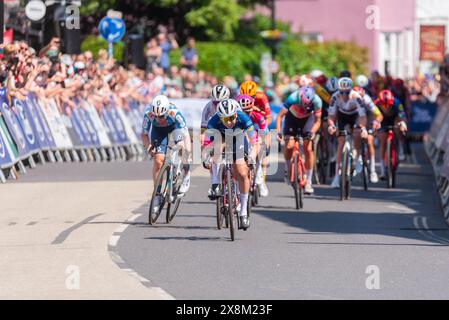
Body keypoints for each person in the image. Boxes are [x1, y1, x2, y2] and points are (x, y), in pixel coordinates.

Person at [204, 99, 258, 230]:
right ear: (220, 118)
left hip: (238, 137)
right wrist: (205, 156)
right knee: (216, 149)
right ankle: (216, 183)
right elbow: (206, 144)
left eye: (231, 118)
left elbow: (254, 141)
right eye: (225, 119)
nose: (228, 122)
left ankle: (243, 213)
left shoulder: (243, 118)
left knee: (242, 172)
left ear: (236, 114)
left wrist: (252, 157)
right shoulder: (213, 121)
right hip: (221, 137)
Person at [141, 95, 191, 212]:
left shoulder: (175, 113)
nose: (158, 119)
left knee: (182, 149)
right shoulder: (148, 114)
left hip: (175, 128)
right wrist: (149, 146)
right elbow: (143, 134)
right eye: (156, 116)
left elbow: (186, 135)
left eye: (162, 116)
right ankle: (157, 194)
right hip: (158, 132)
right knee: (158, 161)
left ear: (167, 111)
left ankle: (185, 176)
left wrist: (187, 154)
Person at [276, 86, 322, 194]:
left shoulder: (317, 101)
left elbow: (317, 121)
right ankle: (288, 168)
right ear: (300, 98)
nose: (304, 106)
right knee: (289, 146)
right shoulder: (292, 98)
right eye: (303, 103)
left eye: (307, 104)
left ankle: (309, 181)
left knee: (308, 148)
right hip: (292, 118)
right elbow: (279, 117)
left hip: (307, 120)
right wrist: (279, 131)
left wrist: (313, 132)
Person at [327, 77, 368, 189]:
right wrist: (331, 125)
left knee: (357, 134)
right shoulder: (335, 97)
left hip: (355, 116)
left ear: (350, 90)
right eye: (342, 92)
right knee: (341, 142)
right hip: (342, 116)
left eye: (347, 92)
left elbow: (363, 116)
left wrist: (363, 128)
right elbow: (331, 116)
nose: (344, 95)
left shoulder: (356, 97)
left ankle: (357, 157)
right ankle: (336, 177)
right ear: (338, 90)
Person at [239, 80, 271, 197]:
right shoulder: (238, 100)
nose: (247, 98)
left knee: (262, 151)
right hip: (245, 123)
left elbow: (268, 118)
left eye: (251, 97)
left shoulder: (261, 97)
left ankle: (261, 181)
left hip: (258, 122)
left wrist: (262, 133)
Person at [201, 84, 231, 199]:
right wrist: (205, 153)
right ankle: (214, 183)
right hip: (217, 132)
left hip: (233, 131)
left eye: (221, 102)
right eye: (215, 102)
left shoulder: (234, 106)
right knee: (214, 156)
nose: (217, 105)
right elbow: (203, 132)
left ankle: (235, 187)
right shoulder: (208, 108)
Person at [350, 86, 383, 183]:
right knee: (356, 135)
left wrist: (376, 122)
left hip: (368, 118)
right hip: (357, 117)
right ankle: (358, 157)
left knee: (369, 140)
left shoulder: (367, 100)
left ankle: (372, 170)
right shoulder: (350, 99)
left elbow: (379, 114)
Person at [374, 90, 408, 179]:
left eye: (389, 105)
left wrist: (403, 123)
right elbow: (372, 115)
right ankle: (382, 169)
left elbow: (402, 115)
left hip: (394, 118)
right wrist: (375, 125)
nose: (386, 108)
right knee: (383, 141)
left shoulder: (396, 102)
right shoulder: (376, 103)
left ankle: (399, 148)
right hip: (383, 119)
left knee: (399, 128)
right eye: (384, 106)